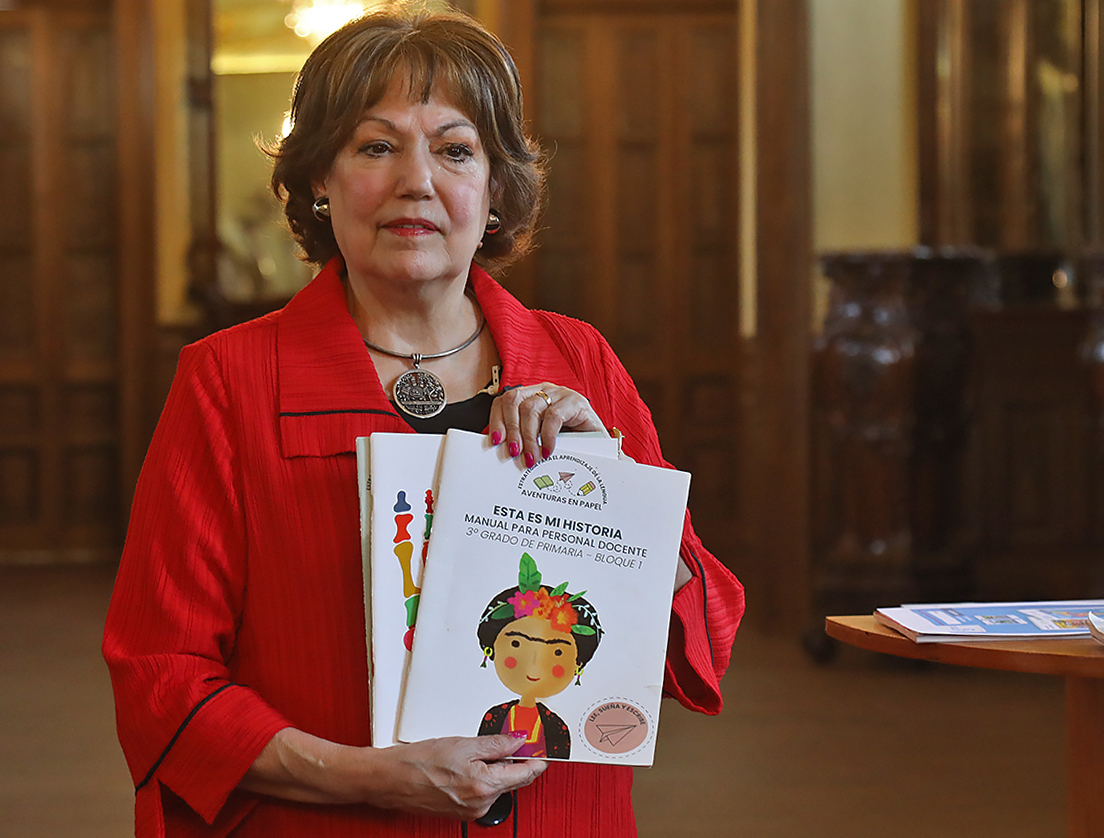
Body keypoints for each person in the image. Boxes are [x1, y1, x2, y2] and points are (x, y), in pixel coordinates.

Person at [101, 8, 744, 837]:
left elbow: (694, 639)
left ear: (496, 188)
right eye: (376, 147)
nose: (417, 181)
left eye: (455, 150)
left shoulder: (579, 361)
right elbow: (162, 676)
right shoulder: (229, 381)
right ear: (321, 179)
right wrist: (366, 776)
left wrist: (617, 501)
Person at [475, 553, 603, 760]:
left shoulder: (556, 726)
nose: (534, 667)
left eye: (557, 652)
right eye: (516, 644)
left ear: (578, 664)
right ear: (491, 650)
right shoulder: (494, 717)